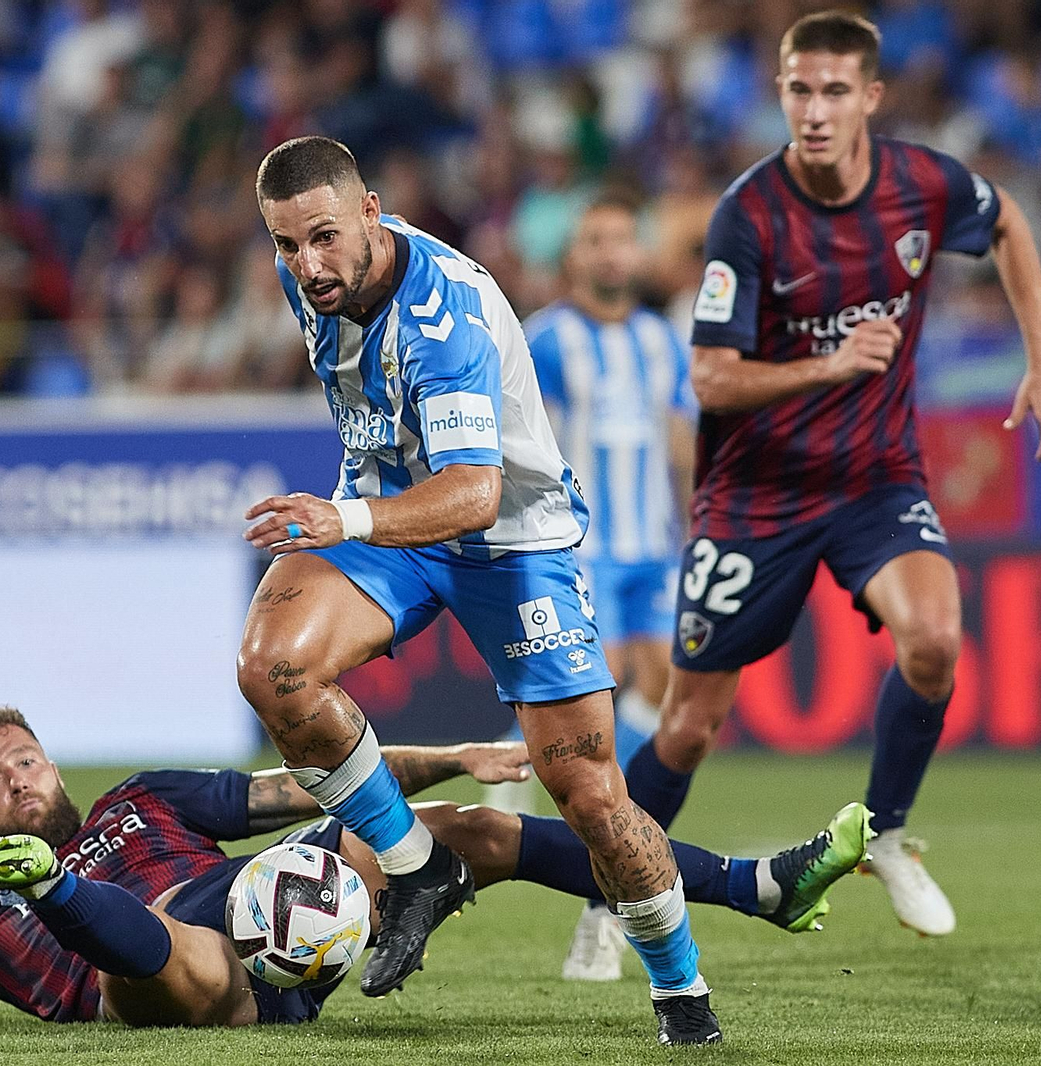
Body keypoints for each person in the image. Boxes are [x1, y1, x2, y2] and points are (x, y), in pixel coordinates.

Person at [237, 135, 718, 1045]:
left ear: (373, 212)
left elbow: (475, 493)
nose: (308, 264)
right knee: (273, 667)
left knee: (587, 790)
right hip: (390, 517)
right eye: (288, 245)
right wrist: (359, 512)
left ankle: (680, 986)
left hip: (509, 542)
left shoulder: (441, 318)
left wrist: (346, 521)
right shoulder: (325, 284)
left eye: (325, 238)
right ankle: (418, 867)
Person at [0, 704, 871, 1030]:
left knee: (448, 837)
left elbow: (314, 783)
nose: (12, 775)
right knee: (171, 957)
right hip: (202, 982)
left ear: (49, 763)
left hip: (289, 903)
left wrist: (458, 755)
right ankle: (57, 893)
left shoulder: (144, 797)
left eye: (18, 763)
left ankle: (755, 884)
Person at [623, 11, 1041, 939]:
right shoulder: (748, 215)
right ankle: (613, 882)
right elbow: (709, 374)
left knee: (936, 642)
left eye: (835, 91)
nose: (816, 109)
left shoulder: (921, 185)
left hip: (876, 476)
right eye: (799, 89)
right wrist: (829, 365)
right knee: (687, 726)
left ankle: (887, 831)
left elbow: (1011, 225)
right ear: (782, 93)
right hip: (755, 495)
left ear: (871, 97)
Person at [523, 191, 699, 982]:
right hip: (581, 548)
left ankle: (610, 878)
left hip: (654, 551)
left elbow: (678, 436)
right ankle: (611, 893)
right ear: (575, 256)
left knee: (661, 698)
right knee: (603, 708)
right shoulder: (548, 341)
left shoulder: (664, 341)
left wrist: (699, 523)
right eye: (595, 239)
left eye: (623, 239)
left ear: (639, 253)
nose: (611, 253)